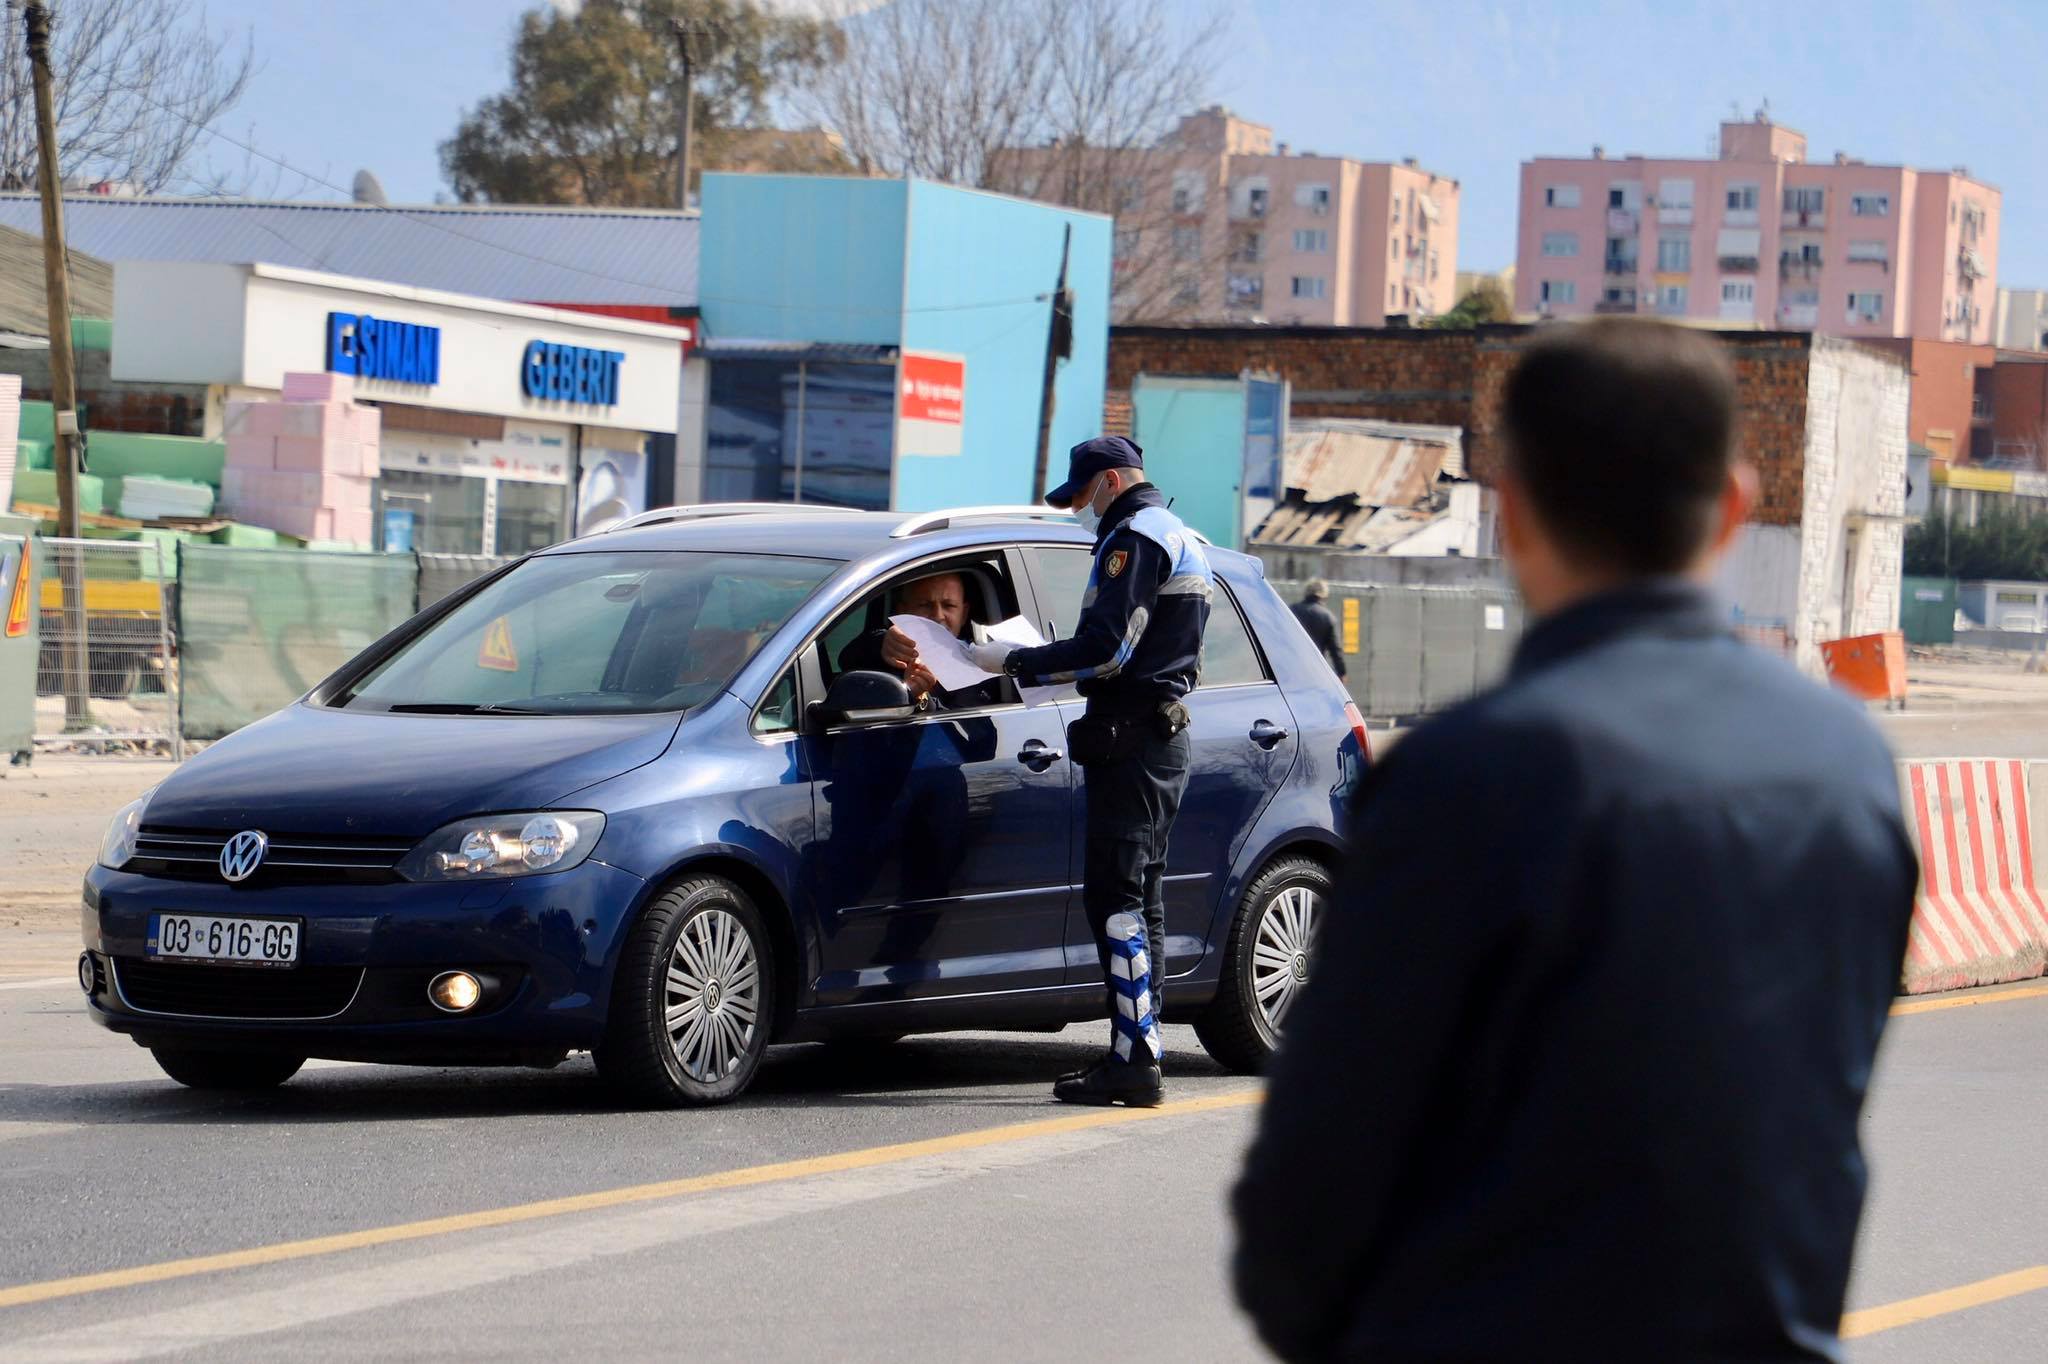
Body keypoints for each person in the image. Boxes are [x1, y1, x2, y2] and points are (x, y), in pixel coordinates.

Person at [1231, 319, 1918, 1361]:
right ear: (1732, 502)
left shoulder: (1465, 775)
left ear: (1510, 510)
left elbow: (1309, 1195)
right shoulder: (1843, 761)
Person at [940, 435, 1212, 1107]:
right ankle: (1139, 1051)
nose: (1084, 512)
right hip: (1154, 737)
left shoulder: (1136, 537)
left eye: (1086, 495)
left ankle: (1133, 1059)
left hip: (1133, 740)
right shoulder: (1176, 531)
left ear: (1112, 482)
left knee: (1116, 898)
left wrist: (1008, 661)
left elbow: (1106, 653)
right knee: (1139, 896)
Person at [837, 570, 1005, 711]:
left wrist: (920, 697)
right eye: (925, 605)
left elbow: (977, 740)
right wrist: (881, 643)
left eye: (949, 606)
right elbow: (847, 659)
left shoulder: (987, 668)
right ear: (902, 610)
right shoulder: (889, 658)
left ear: (964, 613)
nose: (938, 616)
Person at [1290, 579, 1347, 679]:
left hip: (1291, 667)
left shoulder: (1291, 611)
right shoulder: (1327, 617)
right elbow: (1335, 650)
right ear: (1324, 595)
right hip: (1316, 670)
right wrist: (1341, 672)